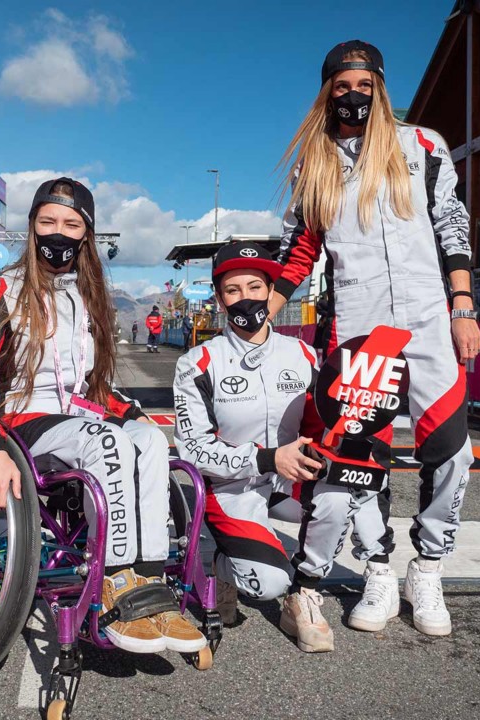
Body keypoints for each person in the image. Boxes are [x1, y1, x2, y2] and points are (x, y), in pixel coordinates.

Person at [268, 40, 480, 637]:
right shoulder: (313, 164)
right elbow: (299, 251)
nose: (354, 94)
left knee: (453, 451)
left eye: (365, 84)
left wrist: (463, 305)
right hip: (357, 325)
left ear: (380, 88)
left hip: (430, 316)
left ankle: (429, 567)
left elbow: (451, 224)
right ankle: (379, 569)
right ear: (327, 92)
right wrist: (262, 316)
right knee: (361, 458)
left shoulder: (423, 145)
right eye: (343, 85)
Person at [0, 177, 207, 655]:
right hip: (20, 422)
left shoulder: (89, 298)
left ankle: (149, 580)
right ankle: (115, 581)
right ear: (32, 226)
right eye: (48, 221)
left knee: (150, 440)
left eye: (71, 224)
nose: (58, 233)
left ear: (86, 234)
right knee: (106, 440)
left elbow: (93, 387)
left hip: (77, 417)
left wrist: (133, 414)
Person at [174, 241, 358, 653]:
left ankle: (305, 592)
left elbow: (319, 427)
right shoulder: (198, 362)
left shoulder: (303, 354)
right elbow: (193, 451)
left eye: (255, 286)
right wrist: (266, 458)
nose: (246, 297)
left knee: (339, 495)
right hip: (230, 488)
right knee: (267, 584)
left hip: (285, 482)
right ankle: (225, 566)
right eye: (233, 289)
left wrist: (340, 434)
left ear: (270, 290)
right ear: (219, 298)